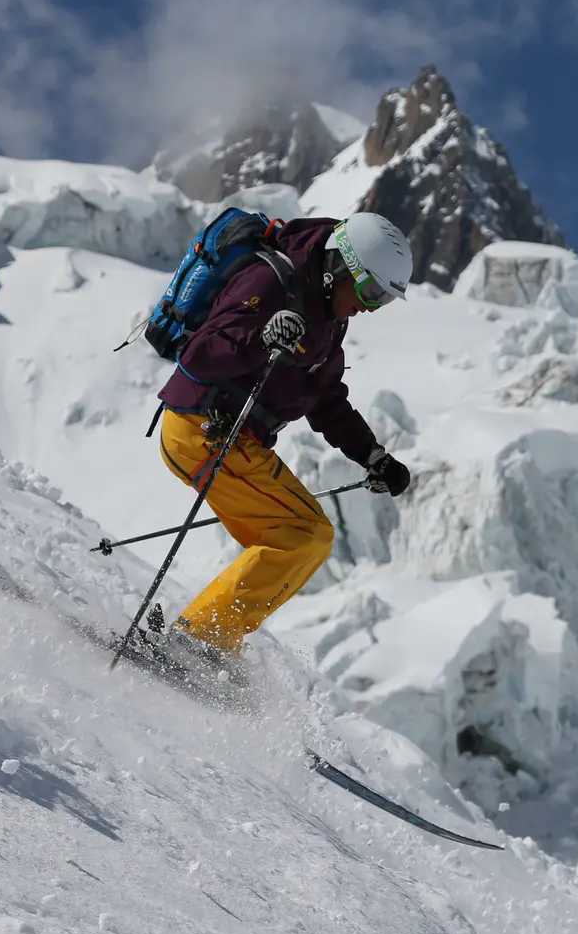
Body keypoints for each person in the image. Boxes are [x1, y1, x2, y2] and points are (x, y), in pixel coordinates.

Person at [150, 211, 414, 667]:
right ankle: (200, 641)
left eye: (383, 300)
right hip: (201, 429)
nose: (370, 308)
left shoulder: (328, 319)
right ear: (339, 266)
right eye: (371, 292)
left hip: (233, 440)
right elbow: (197, 356)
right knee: (304, 534)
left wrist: (372, 455)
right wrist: (260, 339)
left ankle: (205, 639)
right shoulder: (270, 283)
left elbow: (325, 398)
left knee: (300, 537)